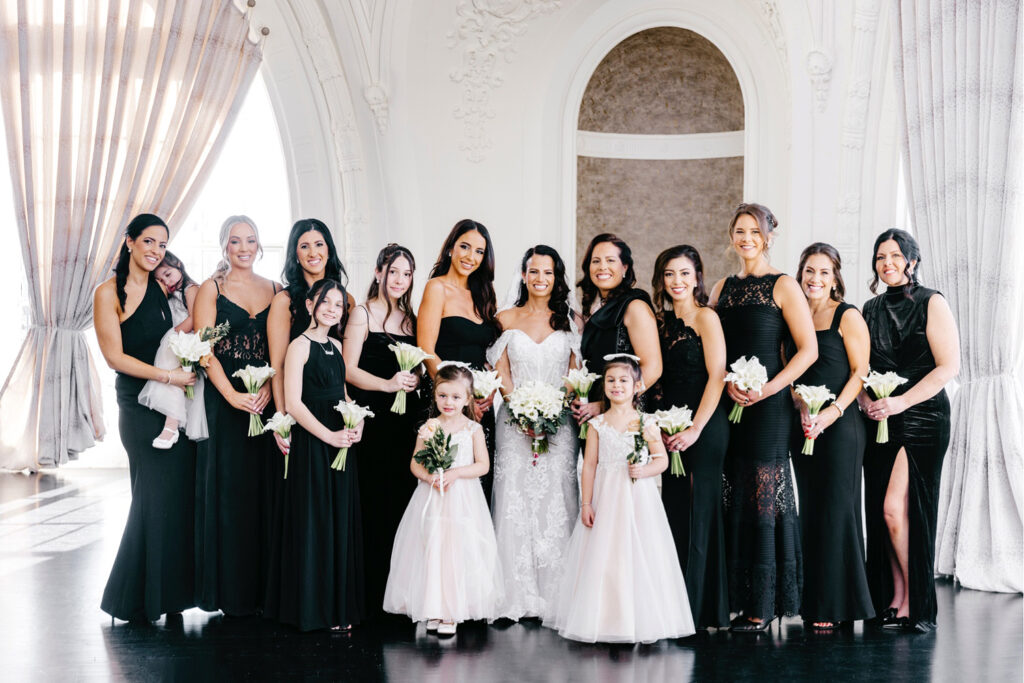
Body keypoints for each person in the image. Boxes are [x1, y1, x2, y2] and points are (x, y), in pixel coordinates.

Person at [708, 203, 817, 632]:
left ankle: (766, 602)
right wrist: (727, 384)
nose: (746, 237)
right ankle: (738, 596)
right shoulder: (722, 288)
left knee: (764, 495)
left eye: (755, 230)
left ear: (769, 236)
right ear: (731, 236)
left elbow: (807, 350)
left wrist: (769, 388)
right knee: (733, 489)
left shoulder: (784, 285)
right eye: (739, 230)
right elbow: (712, 345)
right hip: (731, 403)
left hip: (770, 407)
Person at [546, 355, 694, 644]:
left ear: (637, 386)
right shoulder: (597, 424)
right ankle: (605, 618)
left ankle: (638, 619)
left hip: (637, 499)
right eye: (611, 380)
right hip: (606, 498)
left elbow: (662, 459)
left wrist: (645, 469)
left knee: (637, 554)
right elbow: (589, 465)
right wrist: (586, 503)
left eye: (623, 380)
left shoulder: (646, 422)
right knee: (606, 555)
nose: (616, 386)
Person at [94, 213, 196, 622]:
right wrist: (168, 374)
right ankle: (130, 599)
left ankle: (167, 598)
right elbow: (114, 357)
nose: (155, 251)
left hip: (172, 403)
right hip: (137, 405)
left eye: (162, 245)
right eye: (149, 242)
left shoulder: (160, 288)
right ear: (129, 242)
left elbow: (177, 335)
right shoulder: (107, 293)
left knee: (172, 499)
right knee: (150, 497)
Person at [859, 229, 959, 633]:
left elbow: (948, 367)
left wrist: (901, 402)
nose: (887, 263)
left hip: (922, 417)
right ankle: (896, 597)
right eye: (880, 257)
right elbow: (861, 369)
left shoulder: (932, 302)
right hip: (880, 417)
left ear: (912, 261)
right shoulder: (868, 308)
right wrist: (867, 401)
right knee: (883, 514)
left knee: (897, 510)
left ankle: (914, 601)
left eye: (895, 256)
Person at [487, 245, 581, 621]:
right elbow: (502, 372)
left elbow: (575, 374)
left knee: (557, 497)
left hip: (559, 424)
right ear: (523, 275)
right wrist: (522, 409)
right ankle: (515, 593)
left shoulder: (570, 320)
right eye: (533, 271)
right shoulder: (505, 318)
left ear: (557, 277)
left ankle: (558, 594)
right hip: (514, 421)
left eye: (548, 272)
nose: (540, 279)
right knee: (514, 497)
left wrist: (551, 412)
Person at [264, 279, 365, 631]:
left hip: (341, 441)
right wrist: (330, 436)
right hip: (314, 441)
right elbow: (293, 403)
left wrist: (358, 421)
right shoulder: (298, 346)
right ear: (310, 305)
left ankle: (337, 610)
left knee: (338, 522)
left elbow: (344, 394)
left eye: (338, 305)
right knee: (316, 522)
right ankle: (315, 610)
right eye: (325, 302)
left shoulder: (337, 345)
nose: (332, 309)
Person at [193, 215, 281, 616]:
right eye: (235, 241)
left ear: (259, 245)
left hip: (264, 403)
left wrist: (267, 388)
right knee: (227, 493)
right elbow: (205, 346)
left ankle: (264, 591)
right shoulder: (213, 288)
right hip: (225, 402)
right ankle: (229, 593)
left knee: (263, 492)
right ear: (224, 247)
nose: (243, 248)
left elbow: (279, 348)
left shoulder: (276, 289)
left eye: (250, 240)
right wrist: (230, 394)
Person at [787, 243, 874, 630]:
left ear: (835, 277)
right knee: (812, 510)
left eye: (824, 272)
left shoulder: (847, 315)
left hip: (841, 428)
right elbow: (788, 370)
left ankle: (837, 606)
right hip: (803, 425)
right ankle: (812, 601)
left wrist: (832, 413)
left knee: (838, 510)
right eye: (809, 271)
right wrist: (801, 406)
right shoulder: (793, 317)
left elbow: (860, 372)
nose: (815, 279)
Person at [383, 362, 503, 636]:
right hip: (432, 497)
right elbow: (415, 462)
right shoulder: (429, 426)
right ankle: (432, 608)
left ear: (468, 398)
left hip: (462, 500)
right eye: (442, 396)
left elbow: (483, 465)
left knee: (456, 551)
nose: (448, 402)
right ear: (435, 395)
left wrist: (457, 473)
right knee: (432, 548)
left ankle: (452, 612)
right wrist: (429, 477)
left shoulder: (472, 429)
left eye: (456, 397)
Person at [650, 245, 730, 630]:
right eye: (669, 274)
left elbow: (718, 375)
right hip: (668, 426)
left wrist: (695, 428)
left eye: (684, 273)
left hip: (705, 424)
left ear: (697, 276)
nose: (677, 282)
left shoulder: (706, 318)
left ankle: (700, 609)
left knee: (702, 510)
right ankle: (673, 605)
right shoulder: (659, 323)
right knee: (674, 511)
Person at [342, 243, 423, 618]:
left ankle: (399, 594)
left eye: (407, 274)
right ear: (378, 273)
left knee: (402, 504)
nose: (400, 280)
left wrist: (414, 380)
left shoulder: (411, 320)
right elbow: (349, 370)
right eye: (394, 272)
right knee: (372, 503)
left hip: (405, 425)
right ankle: (369, 596)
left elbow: (419, 366)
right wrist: (388, 385)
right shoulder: (361, 314)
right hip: (373, 420)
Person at [418, 219, 501, 501]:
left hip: (478, 405)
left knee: (476, 486)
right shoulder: (436, 288)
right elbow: (426, 350)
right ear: (451, 248)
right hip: (447, 402)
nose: (470, 256)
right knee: (443, 482)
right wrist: (458, 398)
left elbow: (487, 355)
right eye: (465, 246)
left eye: (479, 251)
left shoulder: (484, 294)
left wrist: (485, 393)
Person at [267, 218, 354, 455]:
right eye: (304, 246)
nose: (313, 252)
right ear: (295, 254)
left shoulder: (348, 300)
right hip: (301, 411)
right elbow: (278, 365)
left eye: (319, 244)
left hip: (336, 410)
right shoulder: (284, 301)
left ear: (329, 250)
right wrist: (282, 420)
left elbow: (343, 366)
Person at [572, 233, 661, 432]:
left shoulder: (634, 306)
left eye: (610, 260)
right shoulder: (594, 309)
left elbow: (653, 368)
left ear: (625, 267)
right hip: (594, 415)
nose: (602, 267)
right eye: (596, 261)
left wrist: (607, 404)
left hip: (625, 417)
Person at [137, 251, 207, 447]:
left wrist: (174, 334)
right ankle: (172, 423)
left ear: (178, 264)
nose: (167, 282)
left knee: (169, 350)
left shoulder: (191, 289)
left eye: (168, 274)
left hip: (190, 339)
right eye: (160, 279)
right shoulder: (171, 294)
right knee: (173, 377)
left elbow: (195, 318)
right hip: (182, 342)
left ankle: (171, 425)